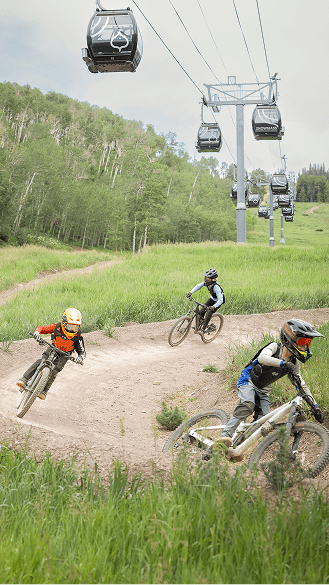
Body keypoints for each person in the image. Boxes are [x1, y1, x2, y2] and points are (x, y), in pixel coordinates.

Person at [219, 319, 325, 448]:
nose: (305, 347)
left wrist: (315, 407)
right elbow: (263, 358)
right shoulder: (275, 347)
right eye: (303, 342)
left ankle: (237, 445)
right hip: (249, 381)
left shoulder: (294, 364)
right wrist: (282, 363)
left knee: (262, 421)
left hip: (264, 390)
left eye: (308, 343)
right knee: (248, 405)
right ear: (289, 339)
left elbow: (301, 385)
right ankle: (224, 436)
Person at [16, 308, 86, 400]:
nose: (72, 331)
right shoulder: (57, 327)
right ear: (63, 323)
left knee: (55, 370)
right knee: (41, 360)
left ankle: (44, 390)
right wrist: (37, 332)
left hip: (65, 354)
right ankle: (24, 379)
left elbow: (82, 352)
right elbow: (42, 328)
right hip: (53, 348)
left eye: (75, 328)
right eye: (69, 326)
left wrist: (80, 358)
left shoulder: (78, 337)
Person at [186, 268, 225, 332]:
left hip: (218, 301)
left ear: (213, 280)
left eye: (208, 278)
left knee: (209, 313)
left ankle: (203, 329)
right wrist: (190, 292)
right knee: (202, 311)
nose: (206, 279)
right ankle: (199, 325)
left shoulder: (216, 287)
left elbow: (220, 300)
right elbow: (198, 286)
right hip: (212, 299)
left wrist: (213, 306)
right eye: (206, 277)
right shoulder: (206, 283)